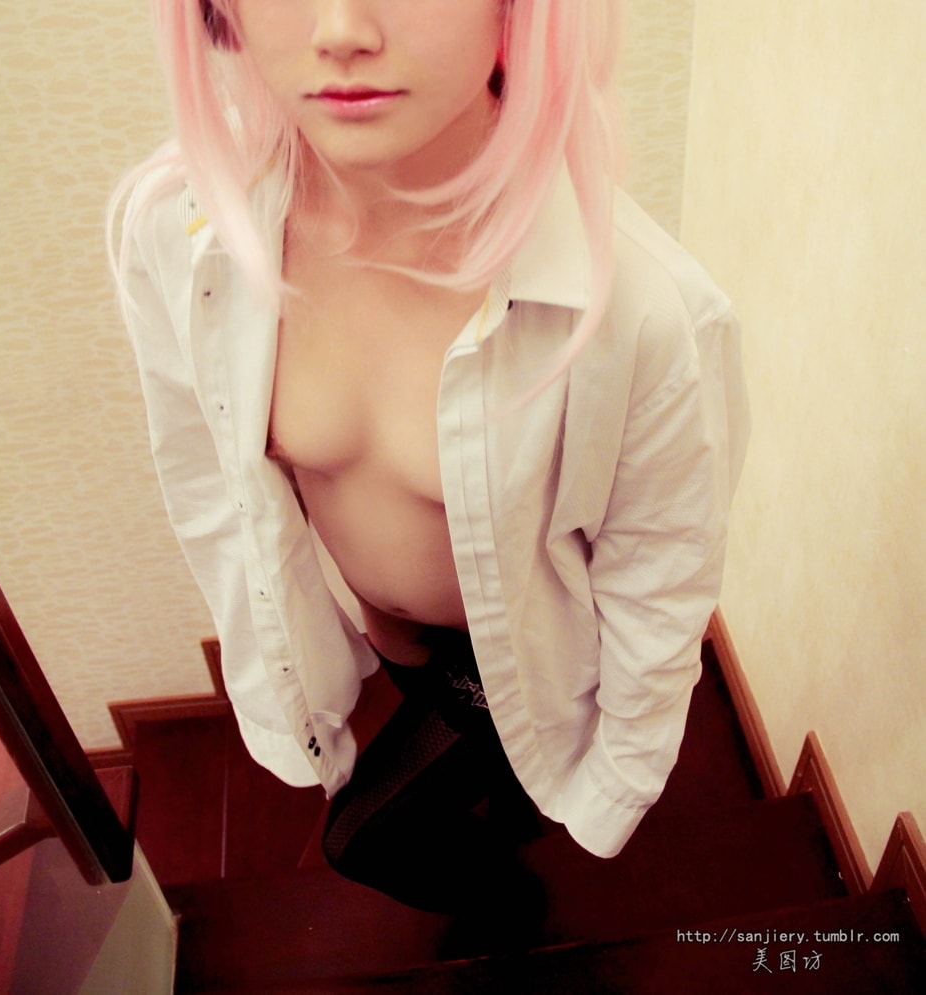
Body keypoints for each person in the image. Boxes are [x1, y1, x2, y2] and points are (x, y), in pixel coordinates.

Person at [111, 0, 748, 941]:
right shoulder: (180, 233)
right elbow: (207, 483)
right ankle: (515, 800)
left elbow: (660, 576)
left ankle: (512, 906)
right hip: (392, 639)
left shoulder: (644, 317)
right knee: (487, 770)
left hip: (517, 655)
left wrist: (611, 782)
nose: (341, 29)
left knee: (361, 836)